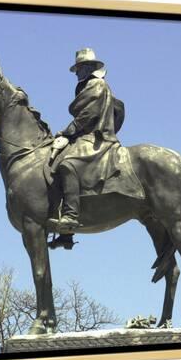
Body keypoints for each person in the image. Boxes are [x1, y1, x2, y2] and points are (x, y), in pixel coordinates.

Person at [48, 48, 125, 233]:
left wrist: (66, 133)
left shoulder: (96, 85)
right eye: (77, 69)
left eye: (80, 68)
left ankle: (70, 216)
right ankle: (63, 230)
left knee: (67, 165)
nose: (78, 73)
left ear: (90, 67)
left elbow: (88, 115)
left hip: (96, 137)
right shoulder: (85, 86)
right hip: (85, 135)